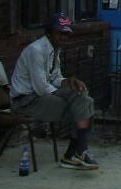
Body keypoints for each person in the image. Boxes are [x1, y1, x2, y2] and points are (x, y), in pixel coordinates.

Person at [10, 13, 99, 170]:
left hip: (42, 95)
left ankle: (78, 151)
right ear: (49, 32)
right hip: (26, 100)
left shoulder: (54, 50)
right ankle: (76, 152)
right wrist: (67, 93)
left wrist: (68, 82)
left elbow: (55, 78)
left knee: (84, 99)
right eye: (60, 33)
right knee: (80, 105)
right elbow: (41, 88)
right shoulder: (36, 50)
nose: (63, 38)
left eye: (66, 34)